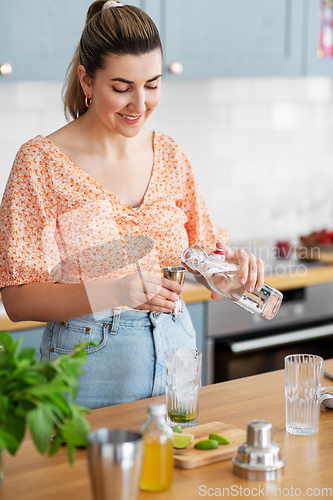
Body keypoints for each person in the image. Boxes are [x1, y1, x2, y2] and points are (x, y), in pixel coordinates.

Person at [0, 0, 264, 409]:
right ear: (87, 81)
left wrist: (229, 272)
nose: (140, 105)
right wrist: (114, 291)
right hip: (86, 364)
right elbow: (17, 299)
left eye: (153, 85)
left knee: (176, 469)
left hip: (176, 347)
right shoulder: (41, 162)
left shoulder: (170, 153)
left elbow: (199, 255)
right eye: (121, 89)